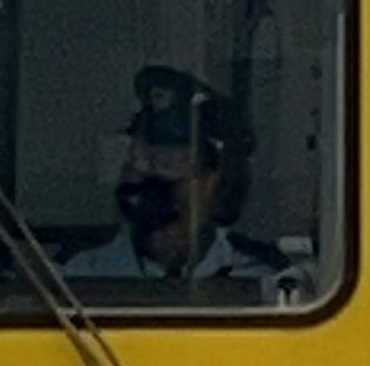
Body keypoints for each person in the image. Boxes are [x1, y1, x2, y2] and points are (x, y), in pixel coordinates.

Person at [109, 66, 267, 286]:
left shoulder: (264, 284)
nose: (150, 172)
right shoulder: (77, 279)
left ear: (217, 178)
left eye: (175, 161)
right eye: (143, 156)